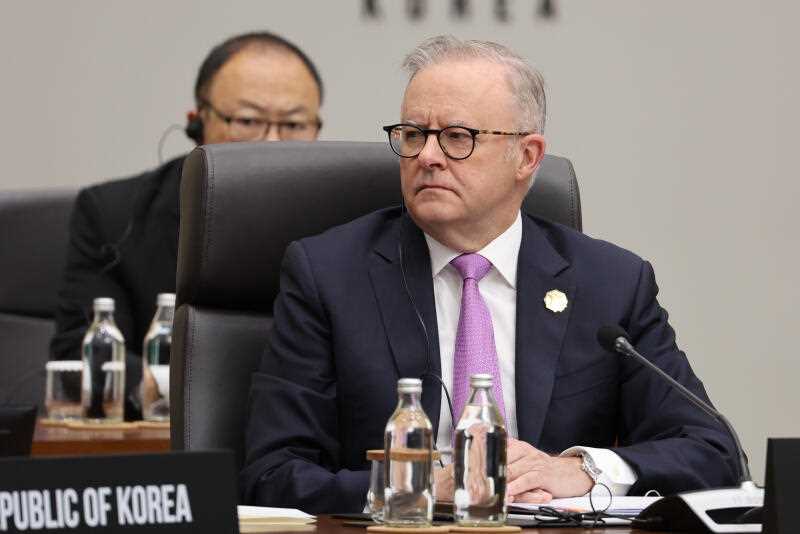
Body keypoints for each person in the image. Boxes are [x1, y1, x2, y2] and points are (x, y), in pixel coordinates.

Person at [241, 35, 738, 512]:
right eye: (413, 135)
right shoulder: (329, 275)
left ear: (527, 156)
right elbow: (272, 473)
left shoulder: (610, 284)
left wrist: (581, 470)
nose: (427, 157)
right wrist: (416, 488)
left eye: (457, 137)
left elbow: (713, 452)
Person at [50, 31, 324, 420]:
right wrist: (168, 391)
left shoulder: (340, 220)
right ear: (197, 122)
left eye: (294, 125)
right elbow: (83, 350)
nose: (273, 143)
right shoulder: (112, 214)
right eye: (248, 120)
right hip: (164, 432)